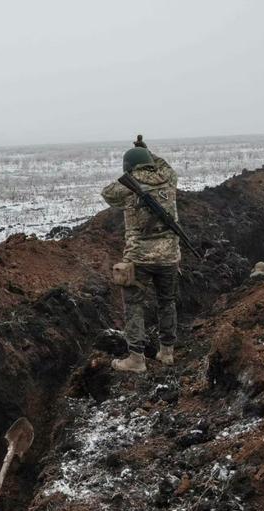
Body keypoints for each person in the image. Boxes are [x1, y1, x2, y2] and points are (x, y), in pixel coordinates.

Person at [101, 135, 181, 374]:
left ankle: (136, 359)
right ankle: (167, 352)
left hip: (139, 257)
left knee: (134, 305)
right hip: (169, 256)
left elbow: (107, 193)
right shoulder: (169, 178)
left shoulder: (127, 185)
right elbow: (163, 165)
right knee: (167, 302)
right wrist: (148, 152)